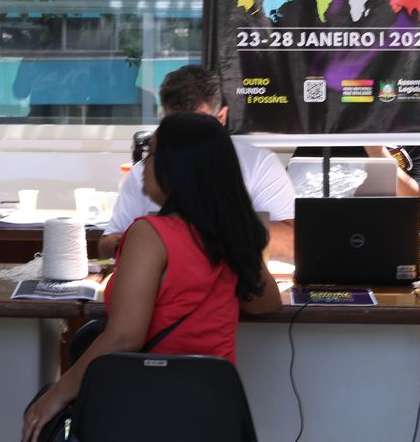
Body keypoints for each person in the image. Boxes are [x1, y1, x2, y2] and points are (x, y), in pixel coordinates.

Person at [22, 113, 282, 441]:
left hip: (144, 406)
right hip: (213, 412)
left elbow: (124, 338)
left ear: (178, 167)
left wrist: (56, 395)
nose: (142, 164)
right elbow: (265, 303)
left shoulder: (152, 234)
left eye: (152, 153)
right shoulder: (229, 236)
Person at [99, 65, 295, 261]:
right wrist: (133, 242)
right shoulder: (147, 169)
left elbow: (293, 243)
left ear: (221, 118)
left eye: (198, 127)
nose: (185, 138)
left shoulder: (257, 164)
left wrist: (189, 234)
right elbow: (107, 245)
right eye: (174, 127)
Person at [292, 144, 420, 203]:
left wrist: (376, 150)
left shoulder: (415, 129)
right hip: (324, 229)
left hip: (386, 230)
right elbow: (295, 196)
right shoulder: (328, 126)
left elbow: (415, 201)